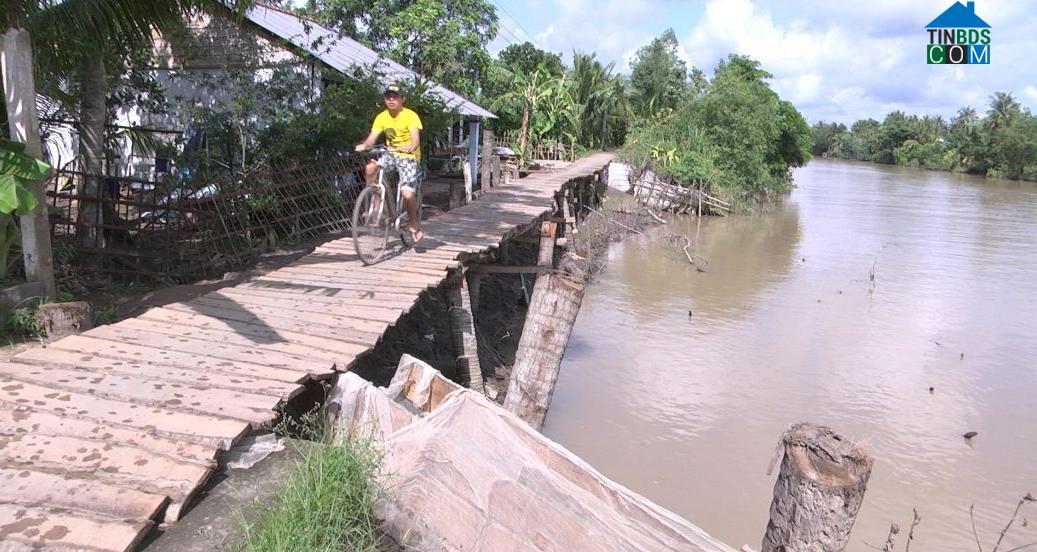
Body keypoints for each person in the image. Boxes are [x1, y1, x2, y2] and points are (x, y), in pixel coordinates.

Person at [355, 83, 424, 242]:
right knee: (371, 167)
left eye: (395, 96)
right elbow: (372, 138)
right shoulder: (382, 117)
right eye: (388, 97)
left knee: (407, 193)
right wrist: (365, 146)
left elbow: (415, 139)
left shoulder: (410, 116)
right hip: (391, 154)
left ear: (402, 99)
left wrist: (411, 146)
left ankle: (413, 224)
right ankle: (377, 206)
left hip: (409, 156)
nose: (391, 100)